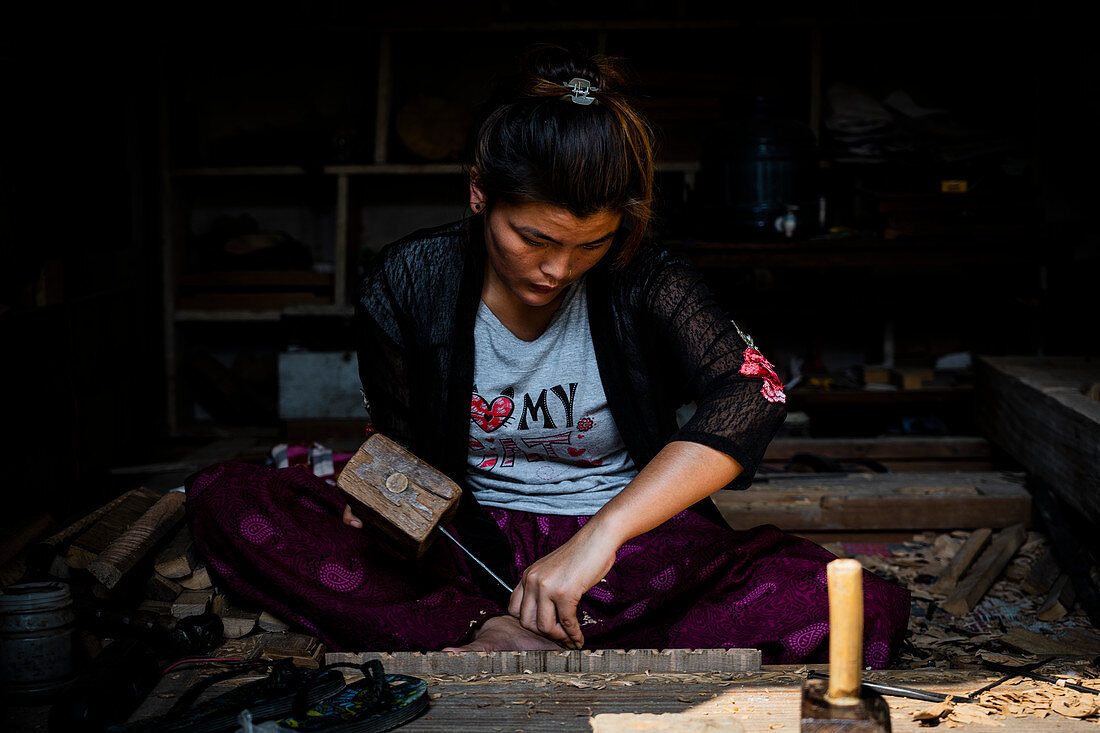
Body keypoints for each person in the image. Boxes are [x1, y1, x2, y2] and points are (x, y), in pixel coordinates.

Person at [186, 46, 910, 666]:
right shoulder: (411, 281)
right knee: (225, 496)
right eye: (533, 238)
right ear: (479, 193)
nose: (557, 270)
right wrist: (383, 494)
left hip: (623, 559)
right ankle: (490, 627)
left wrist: (599, 538)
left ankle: (537, 631)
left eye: (587, 244)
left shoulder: (641, 273)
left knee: (860, 604)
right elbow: (401, 447)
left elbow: (752, 392)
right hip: (463, 550)